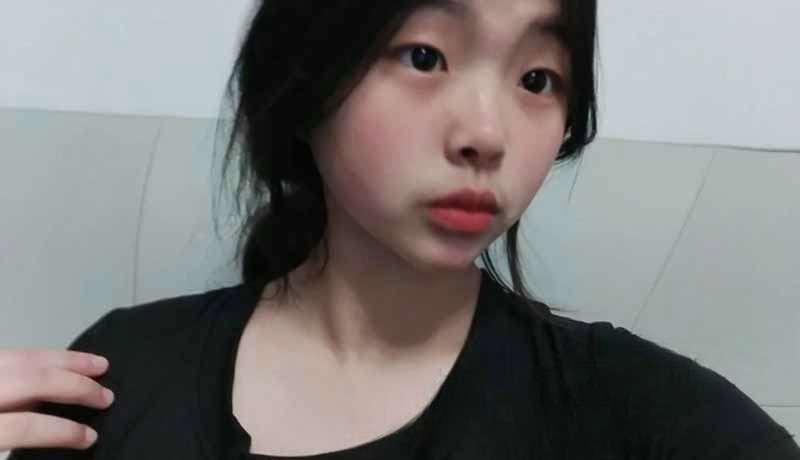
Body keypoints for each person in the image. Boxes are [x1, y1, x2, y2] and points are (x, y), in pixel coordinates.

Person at [2, 0, 799, 458]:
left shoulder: (627, 407)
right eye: (423, 57)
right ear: (306, 81)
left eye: (537, 78)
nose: (485, 134)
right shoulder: (120, 376)